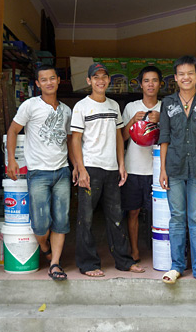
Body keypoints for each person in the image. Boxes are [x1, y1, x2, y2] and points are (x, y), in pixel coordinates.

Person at [71, 62, 145, 277]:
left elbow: (118, 137)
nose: (100, 80)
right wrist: (81, 168)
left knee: (116, 217)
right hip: (91, 168)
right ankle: (88, 264)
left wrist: (121, 164)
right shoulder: (81, 106)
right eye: (96, 77)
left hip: (112, 168)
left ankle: (123, 261)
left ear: (109, 80)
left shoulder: (113, 106)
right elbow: (75, 140)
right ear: (89, 81)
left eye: (104, 76)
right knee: (85, 218)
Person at [6, 64, 75, 281]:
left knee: (61, 220)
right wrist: (11, 160)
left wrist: (76, 168)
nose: (49, 83)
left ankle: (55, 263)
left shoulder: (66, 110)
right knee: (40, 223)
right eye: (44, 80)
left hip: (62, 171)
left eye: (52, 78)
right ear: (37, 84)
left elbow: (70, 141)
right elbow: (13, 130)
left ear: (58, 80)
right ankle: (44, 246)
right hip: (38, 173)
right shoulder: (30, 106)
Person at [158, 55, 196, 291]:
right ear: (175, 78)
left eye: (190, 73)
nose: (186, 77)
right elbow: (164, 137)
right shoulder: (168, 103)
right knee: (176, 219)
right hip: (173, 169)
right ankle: (176, 267)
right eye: (181, 74)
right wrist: (163, 169)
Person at [121, 66, 162, 262]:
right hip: (133, 168)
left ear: (160, 84)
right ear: (140, 84)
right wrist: (131, 121)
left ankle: (161, 251)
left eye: (154, 80)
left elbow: (175, 138)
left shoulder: (166, 107)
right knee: (133, 212)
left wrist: (161, 120)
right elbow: (121, 137)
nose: (151, 84)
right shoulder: (131, 107)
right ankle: (134, 250)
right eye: (146, 80)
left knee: (159, 214)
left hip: (157, 170)